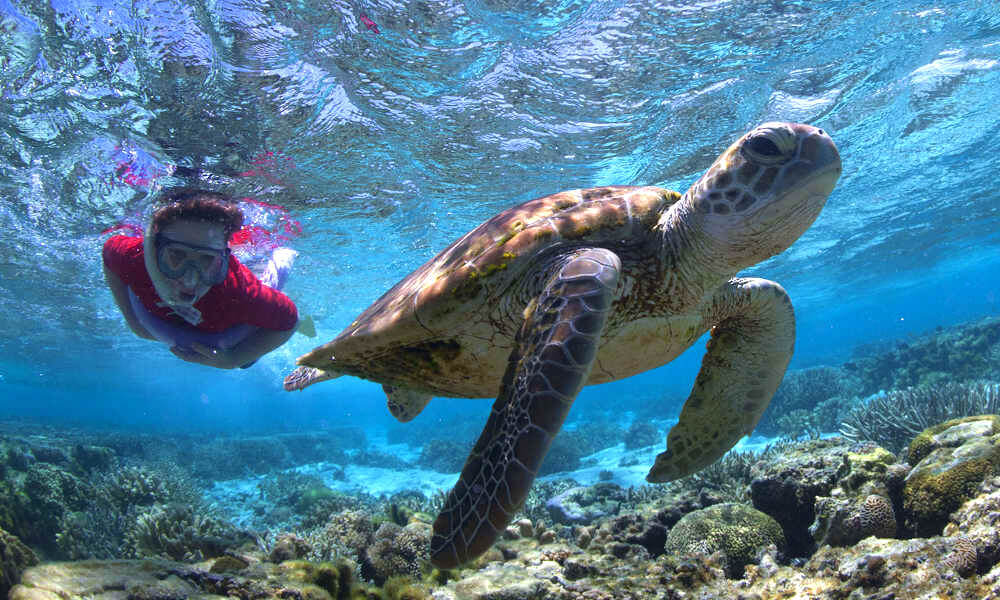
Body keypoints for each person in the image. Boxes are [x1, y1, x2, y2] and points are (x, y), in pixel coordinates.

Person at [103, 188, 298, 369]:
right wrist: (133, 321)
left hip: (234, 324)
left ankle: (282, 257)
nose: (190, 279)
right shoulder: (135, 259)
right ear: (154, 252)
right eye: (176, 255)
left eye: (207, 259)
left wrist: (235, 359)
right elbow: (109, 253)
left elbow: (290, 321)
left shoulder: (238, 292)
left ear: (224, 259)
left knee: (247, 362)